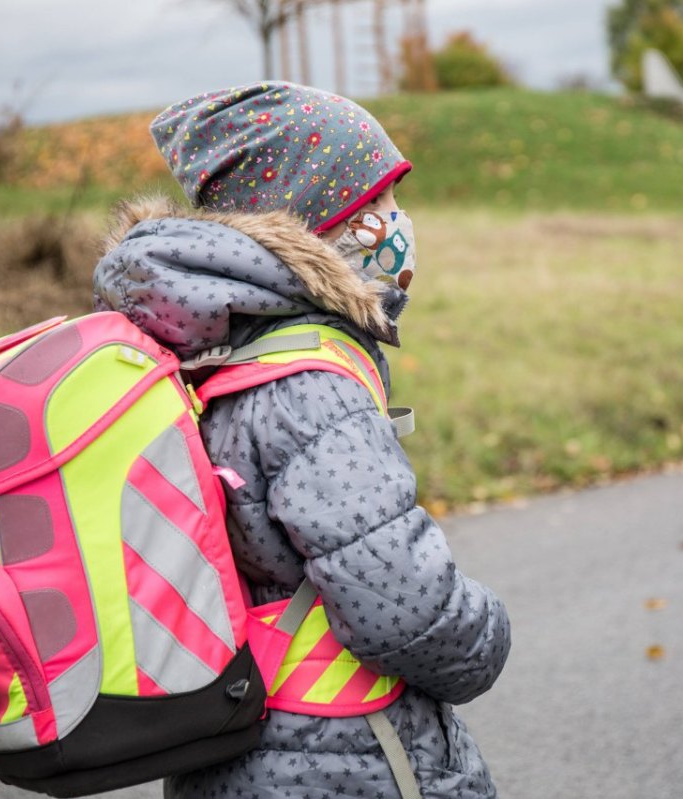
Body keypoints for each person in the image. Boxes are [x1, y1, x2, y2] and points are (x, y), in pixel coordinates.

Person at [93, 82, 512, 798]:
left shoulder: (207, 350)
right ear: (316, 223)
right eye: (376, 204)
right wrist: (484, 631)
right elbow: (404, 604)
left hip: (231, 753)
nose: (396, 222)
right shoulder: (306, 384)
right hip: (339, 761)